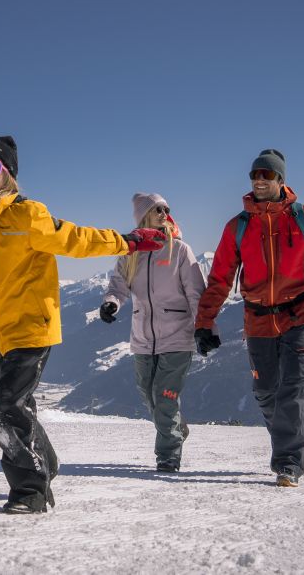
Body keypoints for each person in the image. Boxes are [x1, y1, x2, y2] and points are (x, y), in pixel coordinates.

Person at [0, 136, 165, 514]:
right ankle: (46, 462)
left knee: (7, 408)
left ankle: (30, 491)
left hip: (31, 327)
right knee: (18, 405)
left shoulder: (27, 215)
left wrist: (128, 241)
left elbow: (77, 240)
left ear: (7, 177)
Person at [194, 149, 304, 487]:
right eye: (255, 175)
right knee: (265, 392)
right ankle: (287, 440)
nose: (259, 179)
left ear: (281, 180)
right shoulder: (238, 227)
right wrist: (204, 323)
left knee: (292, 390)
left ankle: (288, 463)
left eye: (267, 175)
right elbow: (219, 279)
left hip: (299, 316)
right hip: (257, 320)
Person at [100, 193, 205, 472]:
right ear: (143, 215)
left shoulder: (179, 250)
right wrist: (111, 303)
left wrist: (204, 327)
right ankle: (175, 428)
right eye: (157, 209)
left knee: (165, 396)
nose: (163, 213)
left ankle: (168, 456)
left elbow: (196, 293)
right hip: (143, 339)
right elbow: (118, 286)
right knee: (149, 395)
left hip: (178, 336)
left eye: (166, 208)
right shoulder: (131, 252)